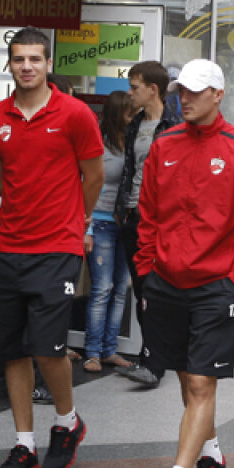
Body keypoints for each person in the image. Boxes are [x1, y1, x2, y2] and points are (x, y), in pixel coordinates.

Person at [136, 59, 234, 468]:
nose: (185, 99)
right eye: (181, 91)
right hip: (166, 281)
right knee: (186, 375)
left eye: (195, 91)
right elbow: (148, 213)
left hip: (217, 285)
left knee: (199, 380)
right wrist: (146, 270)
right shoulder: (165, 145)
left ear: (218, 94)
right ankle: (210, 455)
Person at [0, 28, 105, 468]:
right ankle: (24, 445)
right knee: (12, 351)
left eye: (35, 59)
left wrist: (74, 221)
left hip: (57, 249)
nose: (27, 66)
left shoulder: (75, 114)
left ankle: (67, 423)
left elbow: (94, 176)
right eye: (19, 59)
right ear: (9, 65)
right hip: (7, 249)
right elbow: (0, 179)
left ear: (49, 64)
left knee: (48, 350)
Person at [115, 60, 181, 388]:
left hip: (161, 218)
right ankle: (151, 355)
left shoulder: (176, 125)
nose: (130, 93)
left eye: (135, 87)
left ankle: (155, 361)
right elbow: (129, 169)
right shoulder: (134, 125)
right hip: (133, 215)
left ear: (153, 89)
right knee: (141, 287)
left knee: (156, 289)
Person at [82, 90, 134, 373]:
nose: (133, 116)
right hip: (100, 222)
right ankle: (92, 352)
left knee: (120, 289)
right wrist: (86, 227)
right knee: (102, 289)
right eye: (129, 112)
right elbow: (86, 183)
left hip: (123, 225)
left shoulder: (132, 143)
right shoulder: (99, 144)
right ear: (117, 114)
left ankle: (109, 350)